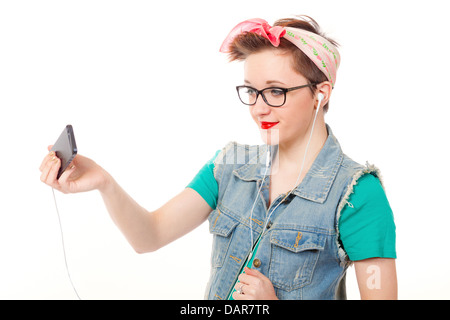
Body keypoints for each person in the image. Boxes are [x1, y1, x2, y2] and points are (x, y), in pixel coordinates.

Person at [40, 16, 397, 300]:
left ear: (320, 93)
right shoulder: (229, 166)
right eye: (252, 91)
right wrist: (104, 182)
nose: (259, 107)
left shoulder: (358, 195)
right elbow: (149, 236)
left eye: (275, 91)